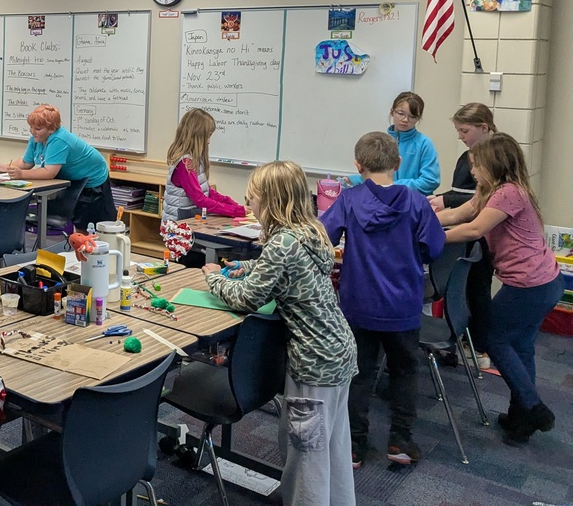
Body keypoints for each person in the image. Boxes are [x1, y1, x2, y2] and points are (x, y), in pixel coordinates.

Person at [203, 161, 356, 506]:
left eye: (253, 197)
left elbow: (247, 298)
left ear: (272, 201)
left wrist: (214, 277)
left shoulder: (282, 243)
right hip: (339, 350)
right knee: (333, 445)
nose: (249, 204)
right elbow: (285, 267)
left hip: (314, 362)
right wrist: (245, 266)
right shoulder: (309, 232)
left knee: (307, 455)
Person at [320, 132, 445, 468]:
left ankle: (354, 446)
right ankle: (400, 442)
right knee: (404, 371)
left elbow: (323, 237)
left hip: (359, 305)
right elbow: (434, 247)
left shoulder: (348, 200)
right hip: (403, 307)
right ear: (398, 163)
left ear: (357, 165)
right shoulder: (417, 202)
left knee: (358, 374)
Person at [433, 134, 563, 446]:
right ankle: (521, 419)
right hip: (542, 282)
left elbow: (475, 228)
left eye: (476, 165)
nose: (472, 170)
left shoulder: (508, 193)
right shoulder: (489, 191)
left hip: (532, 285)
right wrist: (421, 223)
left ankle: (532, 407)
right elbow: (458, 215)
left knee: (494, 338)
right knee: (521, 347)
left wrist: (430, 238)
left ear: (492, 165)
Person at [428, 102, 497, 367]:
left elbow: (473, 210)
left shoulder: (491, 158)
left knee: (477, 292)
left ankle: (481, 349)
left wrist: (438, 226)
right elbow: (465, 205)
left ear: (484, 127)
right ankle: (466, 343)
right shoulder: (467, 157)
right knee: (463, 291)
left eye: (464, 130)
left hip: (481, 238)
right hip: (469, 234)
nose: (460, 136)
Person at [0, 104, 116, 231]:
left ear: (51, 129)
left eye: (37, 128)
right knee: (78, 222)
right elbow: (26, 162)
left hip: (92, 180)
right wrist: (7, 167)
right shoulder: (37, 138)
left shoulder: (59, 140)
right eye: (31, 127)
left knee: (91, 227)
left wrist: (21, 174)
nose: (32, 131)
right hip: (73, 177)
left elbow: (49, 172)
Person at [344, 91, 439, 195]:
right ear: (392, 111)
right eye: (401, 114)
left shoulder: (424, 144)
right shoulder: (382, 141)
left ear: (419, 118)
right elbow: (375, 174)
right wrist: (352, 180)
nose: (405, 120)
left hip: (413, 203)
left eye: (412, 116)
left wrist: (393, 186)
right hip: (384, 200)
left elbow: (430, 181)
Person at [162, 108, 246, 222]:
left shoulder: (195, 159)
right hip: (179, 225)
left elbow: (206, 191)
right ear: (197, 136)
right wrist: (235, 211)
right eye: (208, 136)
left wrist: (235, 206)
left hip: (189, 219)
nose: (209, 141)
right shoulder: (185, 164)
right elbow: (200, 199)